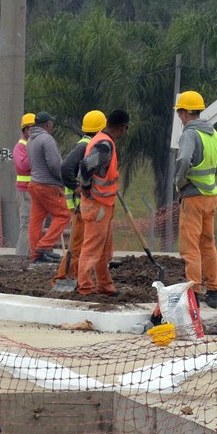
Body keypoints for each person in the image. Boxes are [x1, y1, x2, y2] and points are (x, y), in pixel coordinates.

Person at [172, 90, 217, 308]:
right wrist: (211, 176)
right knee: (208, 244)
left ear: (185, 113)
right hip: (211, 197)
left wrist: (180, 180)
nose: (179, 117)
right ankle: (213, 291)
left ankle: (194, 291)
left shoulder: (190, 134)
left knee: (190, 247)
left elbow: (184, 158)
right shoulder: (212, 133)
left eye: (180, 113)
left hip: (193, 196)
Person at [77, 109, 129, 296]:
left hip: (103, 203)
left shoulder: (102, 140)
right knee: (91, 248)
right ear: (123, 127)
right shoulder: (105, 145)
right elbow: (85, 166)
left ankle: (105, 286)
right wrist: (85, 187)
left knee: (104, 251)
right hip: (96, 203)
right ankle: (85, 287)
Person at [56, 110, 105, 286]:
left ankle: (75, 277)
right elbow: (66, 168)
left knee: (82, 243)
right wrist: (77, 188)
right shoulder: (84, 146)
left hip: (82, 204)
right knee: (77, 245)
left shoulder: (88, 145)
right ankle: (62, 279)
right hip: (79, 205)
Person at [26, 112, 70, 263]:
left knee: (36, 220)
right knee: (63, 215)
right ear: (47, 124)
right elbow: (55, 164)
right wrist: (64, 179)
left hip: (35, 184)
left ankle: (36, 255)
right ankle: (44, 247)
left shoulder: (31, 140)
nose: (52, 125)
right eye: (51, 122)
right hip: (49, 185)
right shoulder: (47, 139)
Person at [12, 112, 35, 257]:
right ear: (24, 130)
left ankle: (33, 253)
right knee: (26, 223)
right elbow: (23, 165)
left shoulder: (33, 145)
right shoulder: (20, 146)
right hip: (25, 191)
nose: (32, 131)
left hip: (35, 190)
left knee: (35, 223)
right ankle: (21, 255)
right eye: (30, 128)